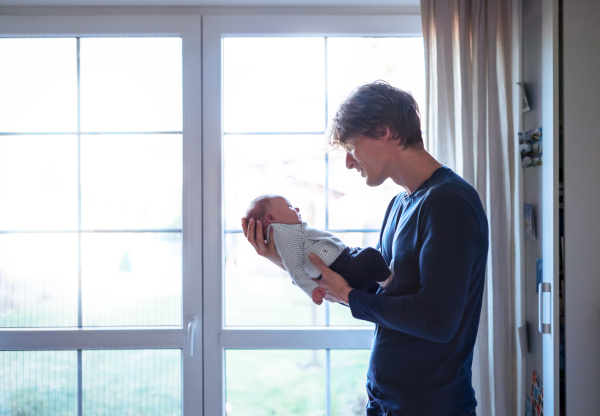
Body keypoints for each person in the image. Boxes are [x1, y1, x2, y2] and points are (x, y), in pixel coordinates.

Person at [242, 80, 488, 416]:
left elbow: (437, 321)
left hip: (430, 407)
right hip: (386, 402)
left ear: (384, 132)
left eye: (351, 146)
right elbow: (369, 293)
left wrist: (349, 297)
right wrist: (282, 258)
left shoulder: (449, 203)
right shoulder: (400, 205)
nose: (348, 163)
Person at [244, 194, 392, 305]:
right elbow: (294, 268)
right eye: (289, 207)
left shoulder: (289, 231)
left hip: (344, 263)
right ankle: (391, 283)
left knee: (370, 259)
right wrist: (312, 289)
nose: (296, 209)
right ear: (271, 218)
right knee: (371, 256)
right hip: (342, 269)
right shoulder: (284, 236)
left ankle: (385, 282)